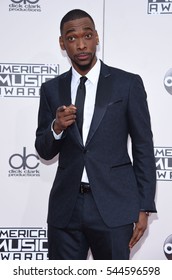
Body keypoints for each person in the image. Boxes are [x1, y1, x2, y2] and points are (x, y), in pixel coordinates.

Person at [35, 9, 157, 260]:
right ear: (62, 43)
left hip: (115, 207)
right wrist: (56, 128)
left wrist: (144, 206)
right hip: (65, 210)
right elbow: (44, 150)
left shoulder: (127, 84)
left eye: (87, 35)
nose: (81, 44)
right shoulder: (51, 89)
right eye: (72, 38)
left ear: (97, 37)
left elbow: (143, 146)